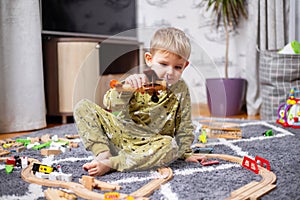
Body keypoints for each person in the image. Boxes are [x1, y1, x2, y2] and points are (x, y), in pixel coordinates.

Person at [74, 27, 206, 176]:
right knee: (82, 106)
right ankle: (103, 153)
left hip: (152, 144)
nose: (170, 72)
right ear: (149, 59)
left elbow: (184, 125)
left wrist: (186, 153)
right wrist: (124, 89)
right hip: (120, 135)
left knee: (171, 146)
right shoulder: (137, 80)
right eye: (163, 64)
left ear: (185, 66)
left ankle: (114, 163)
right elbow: (110, 104)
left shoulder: (181, 89)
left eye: (177, 67)